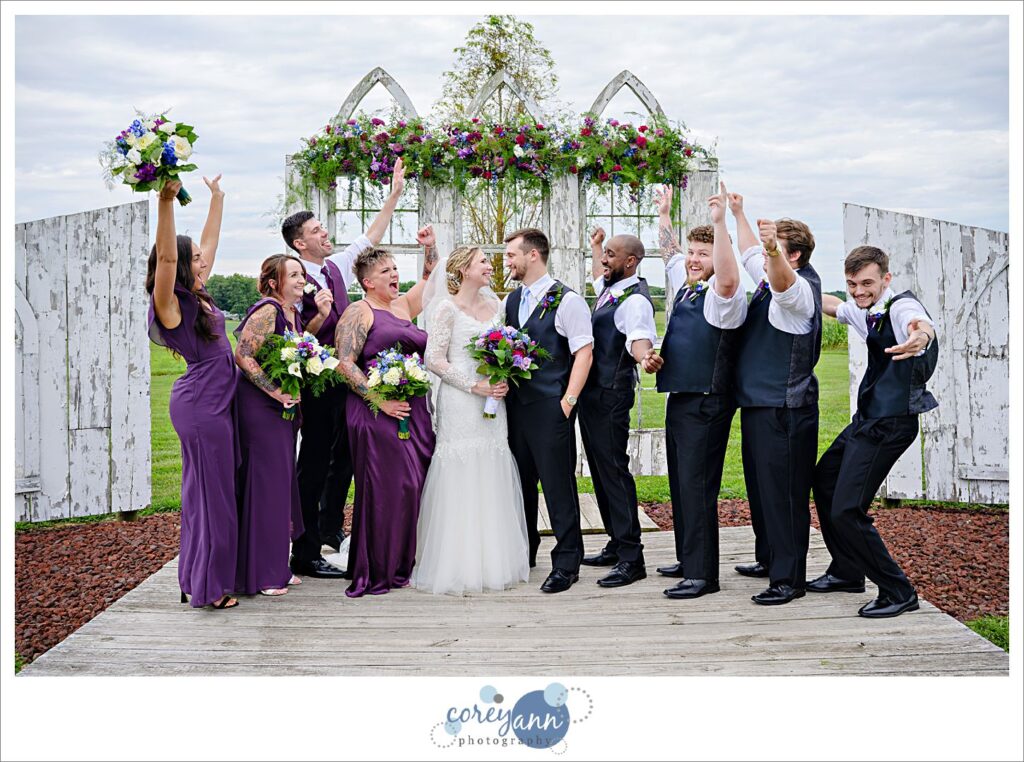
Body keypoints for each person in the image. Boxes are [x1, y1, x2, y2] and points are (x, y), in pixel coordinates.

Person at [283, 159, 416, 580]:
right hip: (319, 386)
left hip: (348, 383)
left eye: (323, 228)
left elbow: (370, 237)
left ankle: (329, 530)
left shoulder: (336, 267)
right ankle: (302, 551)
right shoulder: (296, 277)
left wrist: (394, 193)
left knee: (345, 461)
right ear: (300, 244)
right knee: (315, 462)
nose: (325, 233)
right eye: (316, 231)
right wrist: (319, 318)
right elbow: (291, 336)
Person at [812, 245, 938, 617]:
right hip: (866, 421)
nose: (859, 291)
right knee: (824, 480)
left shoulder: (900, 308)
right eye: (852, 284)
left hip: (891, 423)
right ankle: (847, 570)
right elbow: (834, 305)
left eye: (867, 283)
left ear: (886, 278)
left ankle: (898, 591)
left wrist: (921, 336)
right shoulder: (864, 309)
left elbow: (919, 323)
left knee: (847, 510)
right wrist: (783, 275)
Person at [648, 182, 748, 600]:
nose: (692, 259)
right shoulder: (687, 283)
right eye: (693, 252)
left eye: (702, 254)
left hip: (708, 400)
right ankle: (688, 558)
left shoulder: (724, 295)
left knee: (698, 484)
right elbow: (669, 252)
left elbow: (726, 278)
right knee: (680, 482)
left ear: (719, 257)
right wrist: (666, 214)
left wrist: (721, 223)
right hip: (681, 396)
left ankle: (704, 574)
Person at [412, 246, 531, 595]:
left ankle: (494, 561)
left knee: (492, 462)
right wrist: (473, 386)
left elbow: (506, 348)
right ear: (463, 269)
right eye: (482, 261)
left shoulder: (497, 307)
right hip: (462, 401)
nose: (489, 266)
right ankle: (457, 563)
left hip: (494, 401)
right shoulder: (446, 309)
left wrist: (503, 374)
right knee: (462, 468)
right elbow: (434, 359)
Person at [146, 176, 239, 610]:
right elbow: (167, 255)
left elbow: (209, 239)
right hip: (200, 403)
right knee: (209, 494)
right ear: (184, 264)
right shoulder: (169, 301)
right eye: (197, 259)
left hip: (215, 401)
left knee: (208, 490)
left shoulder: (197, 293)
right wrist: (165, 202)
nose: (205, 261)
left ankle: (198, 574)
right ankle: (209, 586)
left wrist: (217, 198)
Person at [730, 197, 822, 606]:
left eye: (778, 249)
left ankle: (788, 580)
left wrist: (771, 251)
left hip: (786, 408)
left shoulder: (798, 290)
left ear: (794, 255)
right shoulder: (771, 276)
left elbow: (783, 284)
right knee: (761, 489)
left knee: (784, 497)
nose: (767, 257)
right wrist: (737, 214)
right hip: (759, 404)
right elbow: (750, 253)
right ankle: (768, 559)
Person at [334, 240, 439, 597]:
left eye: (395, 269)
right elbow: (345, 363)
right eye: (386, 271)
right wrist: (381, 401)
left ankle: (403, 562)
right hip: (375, 412)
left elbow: (430, 276)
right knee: (386, 488)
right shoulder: (358, 312)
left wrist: (430, 246)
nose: (395, 275)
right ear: (367, 282)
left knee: (414, 486)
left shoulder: (403, 305)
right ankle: (379, 566)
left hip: (414, 411)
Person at [503, 228, 594, 593]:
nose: (507, 261)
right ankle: (526, 553)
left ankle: (568, 561)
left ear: (533, 256)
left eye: (511, 255)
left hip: (551, 407)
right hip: (516, 408)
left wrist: (567, 402)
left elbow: (583, 353)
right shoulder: (512, 300)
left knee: (557, 485)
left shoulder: (567, 301)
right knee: (520, 484)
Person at [578, 227, 658, 588]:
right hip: (594, 393)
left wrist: (645, 359)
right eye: (603, 253)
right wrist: (597, 246)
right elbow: (599, 278)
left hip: (612, 394)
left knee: (613, 472)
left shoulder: (636, 301)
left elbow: (639, 339)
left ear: (630, 262)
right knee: (598, 469)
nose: (603, 260)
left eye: (610, 254)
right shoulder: (613, 290)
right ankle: (615, 541)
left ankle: (631, 556)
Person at [233, 255, 307, 597]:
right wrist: (275, 392)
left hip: (283, 409)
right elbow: (243, 355)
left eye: (302, 273)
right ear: (274, 282)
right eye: (293, 274)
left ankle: (279, 563)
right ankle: (262, 573)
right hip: (261, 409)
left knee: (281, 485)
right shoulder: (269, 310)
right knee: (266, 487)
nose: (301, 278)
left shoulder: (293, 313)